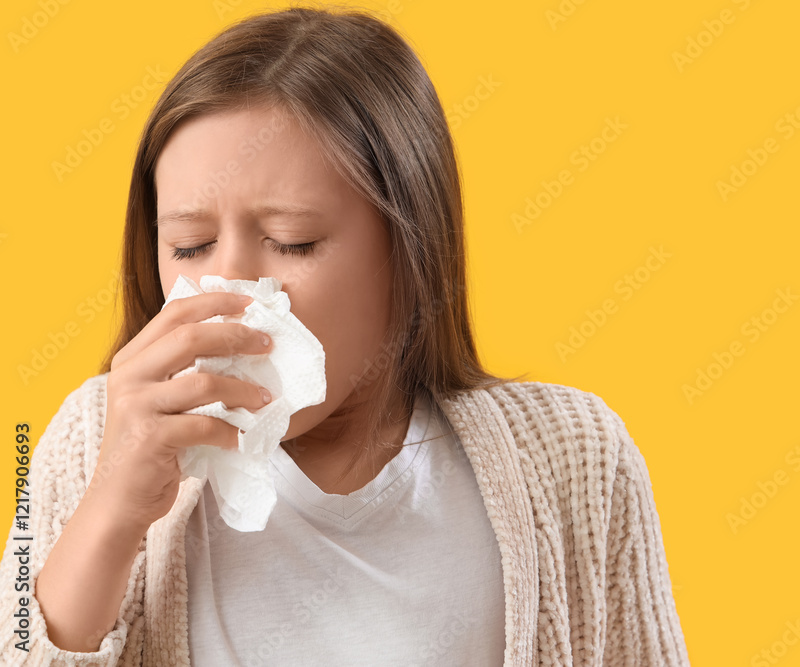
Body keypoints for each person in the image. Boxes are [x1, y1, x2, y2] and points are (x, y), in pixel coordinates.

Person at [0, 5, 690, 665]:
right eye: (190, 246)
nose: (231, 290)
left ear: (408, 249)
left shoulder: (575, 456)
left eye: (292, 242)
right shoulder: (88, 437)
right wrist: (109, 515)